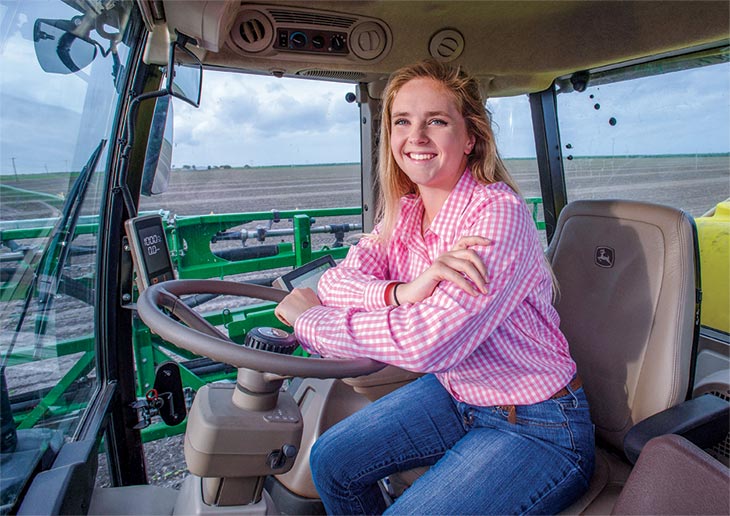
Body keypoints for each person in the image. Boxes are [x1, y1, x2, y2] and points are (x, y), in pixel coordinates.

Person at [275, 59, 594, 515]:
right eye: (402, 121)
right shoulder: (404, 213)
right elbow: (335, 280)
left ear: (471, 138)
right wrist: (399, 293)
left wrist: (310, 320)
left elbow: (428, 342)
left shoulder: (496, 214)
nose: (416, 137)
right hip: (456, 394)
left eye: (437, 121)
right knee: (329, 461)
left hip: (537, 423)